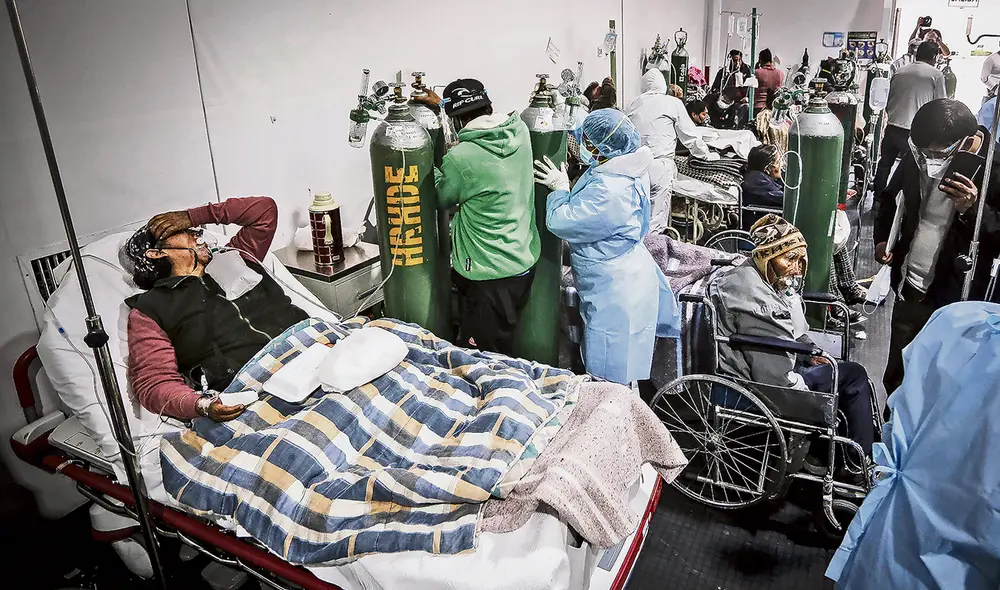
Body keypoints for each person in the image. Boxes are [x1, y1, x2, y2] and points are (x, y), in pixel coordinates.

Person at [121, 197, 308, 422]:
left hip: (314, 348)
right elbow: (154, 383)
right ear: (156, 253)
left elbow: (264, 211)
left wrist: (192, 216)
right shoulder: (150, 309)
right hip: (263, 387)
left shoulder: (236, 256)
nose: (195, 234)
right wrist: (201, 405)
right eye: (179, 231)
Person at [709, 214, 876, 459]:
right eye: (790, 259)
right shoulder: (756, 299)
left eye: (800, 260)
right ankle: (858, 462)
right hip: (769, 383)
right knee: (853, 376)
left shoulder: (761, 276)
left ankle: (844, 449)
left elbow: (790, 333)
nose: (797, 269)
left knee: (843, 372)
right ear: (767, 257)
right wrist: (804, 380)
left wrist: (808, 352)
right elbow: (773, 371)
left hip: (779, 361)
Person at [532, 109, 680, 384]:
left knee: (610, 373)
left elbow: (561, 222)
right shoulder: (625, 168)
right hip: (625, 272)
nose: (583, 147)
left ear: (604, 147)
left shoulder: (610, 191)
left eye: (588, 142)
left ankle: (614, 422)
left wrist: (560, 190)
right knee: (621, 369)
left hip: (616, 289)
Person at [873, 98, 1000, 396]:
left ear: (968, 142)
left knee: (940, 385)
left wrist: (971, 209)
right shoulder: (918, 155)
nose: (928, 159)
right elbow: (890, 199)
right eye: (922, 151)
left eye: (936, 154)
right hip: (909, 287)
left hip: (954, 298)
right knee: (897, 377)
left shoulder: (994, 169)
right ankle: (891, 436)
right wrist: (883, 238)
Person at [411, 79, 540, 355]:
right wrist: (444, 108)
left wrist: (423, 162)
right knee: (504, 343)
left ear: (456, 122)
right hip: (521, 260)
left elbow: (440, 198)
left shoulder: (461, 158)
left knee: (484, 359)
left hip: (488, 274)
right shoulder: (520, 131)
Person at [626, 70, 717, 232]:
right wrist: (705, 155)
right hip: (660, 165)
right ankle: (655, 252)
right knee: (656, 220)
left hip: (635, 166)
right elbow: (690, 135)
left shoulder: (633, 103)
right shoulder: (672, 102)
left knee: (636, 216)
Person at [873, 41, 947, 203]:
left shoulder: (900, 71)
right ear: (934, 57)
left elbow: (888, 99)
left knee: (884, 165)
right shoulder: (935, 75)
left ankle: (878, 200)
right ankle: (901, 205)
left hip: (892, 127)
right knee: (910, 171)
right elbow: (941, 105)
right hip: (914, 131)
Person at [741, 145, 784, 231]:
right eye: (778, 162)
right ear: (767, 168)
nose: (781, 166)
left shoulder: (760, 176)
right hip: (762, 226)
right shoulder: (758, 182)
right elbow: (783, 199)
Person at [709, 50, 752, 129]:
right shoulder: (723, 72)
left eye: (738, 60)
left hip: (741, 101)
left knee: (744, 108)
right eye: (734, 60)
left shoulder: (748, 71)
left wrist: (747, 97)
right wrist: (719, 95)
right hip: (726, 101)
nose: (736, 63)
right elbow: (715, 87)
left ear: (741, 59)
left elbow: (750, 89)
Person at [753, 48, 785, 114]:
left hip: (759, 107)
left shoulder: (757, 72)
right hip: (775, 108)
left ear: (760, 60)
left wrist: (756, 68)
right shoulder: (780, 73)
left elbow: (751, 87)